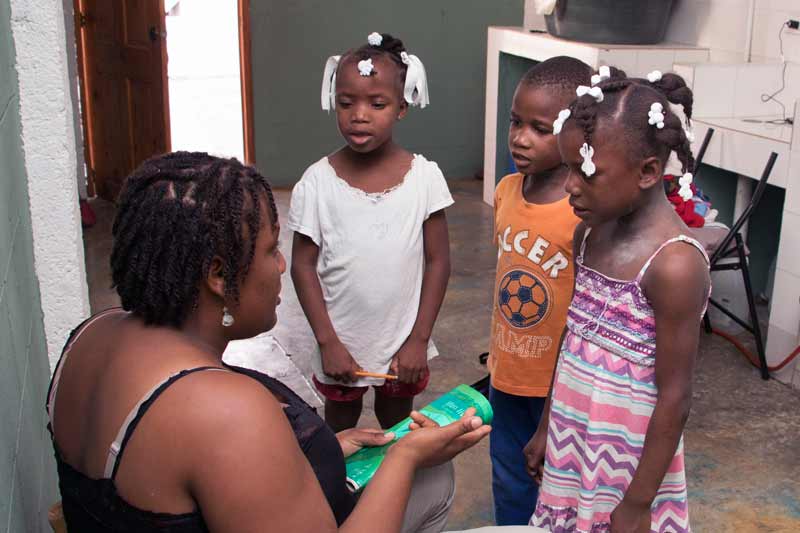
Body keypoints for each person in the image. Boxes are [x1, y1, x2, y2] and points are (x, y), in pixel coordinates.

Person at [45, 152, 490, 533]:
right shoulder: (225, 410)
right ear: (218, 276)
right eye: (271, 249)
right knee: (434, 478)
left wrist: (329, 449)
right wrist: (405, 458)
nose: (281, 266)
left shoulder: (89, 334)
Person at [525, 72, 711, 532]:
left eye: (585, 172)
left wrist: (637, 502)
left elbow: (675, 396)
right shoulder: (587, 235)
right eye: (567, 168)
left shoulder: (674, 267)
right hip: (575, 439)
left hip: (629, 467)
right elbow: (572, 339)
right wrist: (548, 424)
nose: (569, 186)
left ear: (648, 171)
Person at [289, 32, 452, 432]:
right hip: (341, 342)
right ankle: (343, 494)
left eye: (377, 104)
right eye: (347, 103)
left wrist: (418, 339)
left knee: (396, 426)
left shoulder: (424, 178)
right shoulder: (317, 182)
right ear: (333, 102)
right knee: (340, 430)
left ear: (401, 107)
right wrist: (328, 342)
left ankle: (392, 492)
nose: (359, 114)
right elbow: (302, 266)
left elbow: (438, 261)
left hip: (401, 343)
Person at [488, 58, 621, 526]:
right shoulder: (505, 192)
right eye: (516, 122)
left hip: (560, 386)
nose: (520, 137)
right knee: (507, 474)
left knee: (556, 481)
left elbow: (590, 312)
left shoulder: (582, 213)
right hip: (507, 372)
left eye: (539, 129)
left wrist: (554, 409)